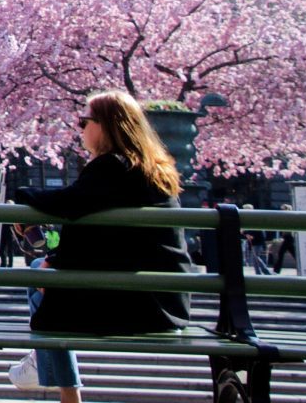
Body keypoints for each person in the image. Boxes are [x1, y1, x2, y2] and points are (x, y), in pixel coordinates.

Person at [15, 90, 194, 403]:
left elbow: (69, 203)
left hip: (133, 305)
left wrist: (22, 195)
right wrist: (56, 261)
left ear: (108, 125)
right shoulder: (155, 169)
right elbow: (107, 236)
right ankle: (45, 363)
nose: (80, 128)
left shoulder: (110, 167)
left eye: (85, 121)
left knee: (39, 279)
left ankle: (45, 363)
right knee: (40, 273)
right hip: (166, 301)